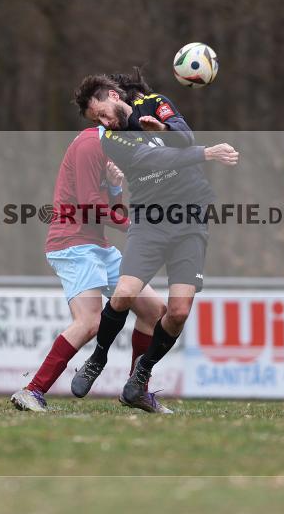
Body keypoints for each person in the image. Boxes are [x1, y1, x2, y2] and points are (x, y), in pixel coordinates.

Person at [70, 73, 239, 412]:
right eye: (97, 121)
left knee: (178, 312)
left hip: (190, 219)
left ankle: (142, 373)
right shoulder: (111, 139)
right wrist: (203, 154)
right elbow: (154, 160)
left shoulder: (154, 104)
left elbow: (184, 134)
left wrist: (165, 132)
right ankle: (98, 358)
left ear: (113, 95)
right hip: (150, 220)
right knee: (124, 293)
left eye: (103, 113)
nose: (104, 122)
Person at [10, 124, 171, 413]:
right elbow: (89, 207)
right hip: (72, 245)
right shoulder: (89, 144)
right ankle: (32, 390)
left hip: (98, 246)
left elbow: (111, 210)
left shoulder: (109, 149)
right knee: (89, 322)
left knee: (154, 311)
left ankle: (136, 391)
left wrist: (114, 186)